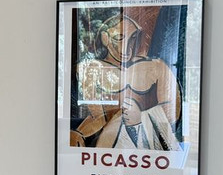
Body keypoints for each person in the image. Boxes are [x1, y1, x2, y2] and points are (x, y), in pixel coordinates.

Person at [70, 12, 181, 150]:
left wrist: (141, 117)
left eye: (133, 38)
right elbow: (97, 117)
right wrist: (79, 133)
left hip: (149, 147)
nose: (127, 47)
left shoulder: (157, 67)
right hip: (107, 146)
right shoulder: (91, 70)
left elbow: (173, 111)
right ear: (105, 38)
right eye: (119, 38)